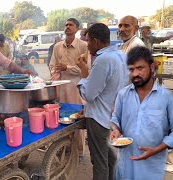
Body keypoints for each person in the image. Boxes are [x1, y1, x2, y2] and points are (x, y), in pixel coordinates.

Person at [110, 46, 173, 180]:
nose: (135, 74)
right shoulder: (123, 95)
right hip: (125, 165)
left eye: (140, 68)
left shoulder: (166, 97)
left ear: (152, 67)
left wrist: (156, 150)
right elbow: (115, 119)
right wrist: (115, 130)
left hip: (151, 168)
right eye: (131, 69)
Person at [77, 23, 129, 180]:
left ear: (95, 41)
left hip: (99, 119)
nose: (87, 45)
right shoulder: (121, 55)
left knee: (100, 162)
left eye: (88, 41)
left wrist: (84, 75)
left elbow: (89, 94)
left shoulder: (103, 60)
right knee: (110, 158)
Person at [49, 18, 87, 163]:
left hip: (76, 89)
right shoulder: (57, 46)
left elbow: (86, 69)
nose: (67, 27)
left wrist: (67, 68)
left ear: (77, 29)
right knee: (61, 121)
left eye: (70, 25)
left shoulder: (83, 46)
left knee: (77, 120)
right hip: (61, 89)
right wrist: (54, 72)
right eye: (66, 25)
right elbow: (52, 64)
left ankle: (80, 152)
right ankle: (63, 149)